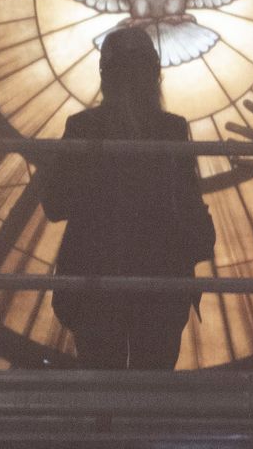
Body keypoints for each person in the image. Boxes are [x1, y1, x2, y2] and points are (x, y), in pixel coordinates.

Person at [30, 26, 214, 370]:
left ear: (105, 77)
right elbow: (188, 205)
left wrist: (43, 168)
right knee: (153, 391)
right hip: (162, 286)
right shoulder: (172, 130)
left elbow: (57, 205)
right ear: (156, 76)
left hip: (95, 286)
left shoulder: (83, 128)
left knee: (102, 389)